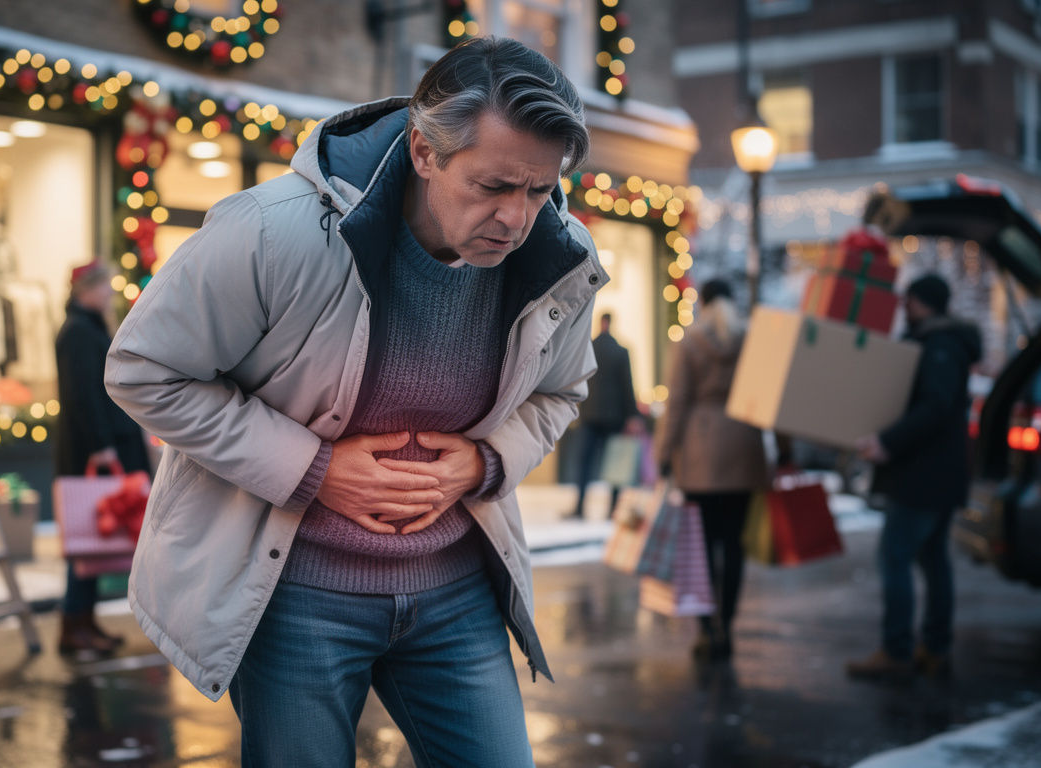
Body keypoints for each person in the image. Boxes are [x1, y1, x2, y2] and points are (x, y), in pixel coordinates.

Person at [106, 37, 599, 766]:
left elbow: (563, 390)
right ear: (424, 152)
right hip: (295, 594)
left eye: (538, 190)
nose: (517, 217)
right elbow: (144, 369)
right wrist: (314, 470)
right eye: (493, 186)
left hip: (457, 592)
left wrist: (486, 464)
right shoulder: (271, 232)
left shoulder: (561, 258)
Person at [848, 273, 981, 680]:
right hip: (938, 474)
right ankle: (935, 648)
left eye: (909, 301)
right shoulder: (948, 342)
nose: (903, 307)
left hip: (924, 475)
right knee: (934, 559)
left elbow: (935, 406)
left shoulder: (937, 345)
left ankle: (898, 650)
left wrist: (889, 441)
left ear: (923, 303)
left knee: (896, 558)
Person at [654, 279, 768, 662]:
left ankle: (707, 631)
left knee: (700, 549)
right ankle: (728, 625)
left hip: (700, 454)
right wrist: (782, 452)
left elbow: (677, 403)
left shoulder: (689, 342)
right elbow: (771, 395)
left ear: (702, 302)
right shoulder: (752, 339)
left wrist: (663, 454)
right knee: (733, 545)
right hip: (744, 446)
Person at [54, 260, 152, 656]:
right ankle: (72, 625)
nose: (110, 293)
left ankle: (83, 622)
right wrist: (102, 447)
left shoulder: (88, 327)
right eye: (104, 286)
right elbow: (84, 395)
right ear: (85, 290)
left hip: (101, 448)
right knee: (87, 540)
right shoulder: (78, 331)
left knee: (95, 539)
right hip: (92, 453)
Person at [571, 313, 642, 519]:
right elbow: (627, 385)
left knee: (584, 462)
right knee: (615, 464)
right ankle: (613, 508)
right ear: (611, 323)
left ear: (600, 323)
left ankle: (579, 507)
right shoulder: (621, 351)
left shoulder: (588, 348)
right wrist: (632, 415)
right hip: (614, 417)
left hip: (590, 415)